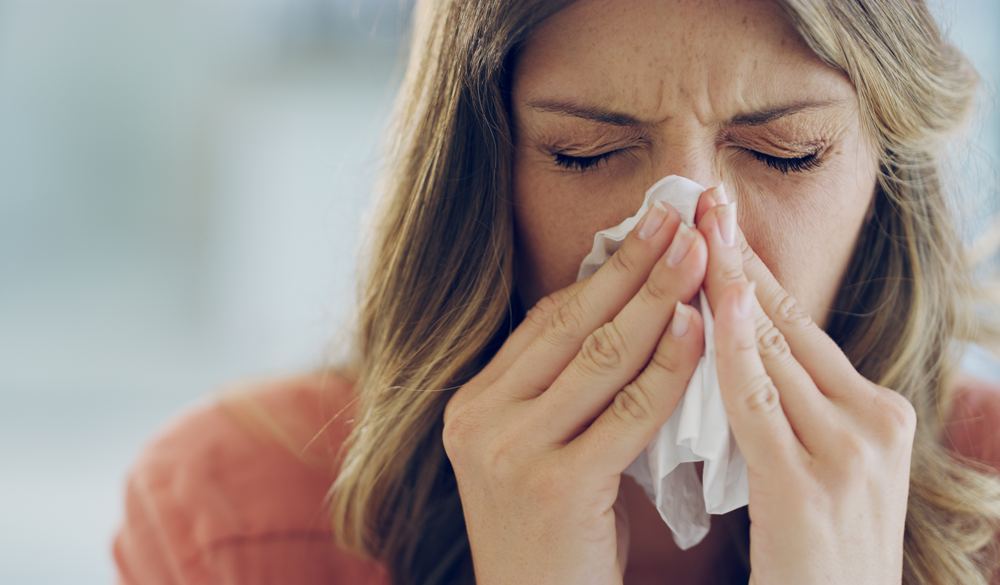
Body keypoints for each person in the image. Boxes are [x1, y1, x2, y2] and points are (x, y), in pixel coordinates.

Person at [113, 0, 1000, 583]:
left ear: (886, 173)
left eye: (787, 152)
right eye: (586, 154)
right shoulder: (237, 517)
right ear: (481, 174)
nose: (693, 244)